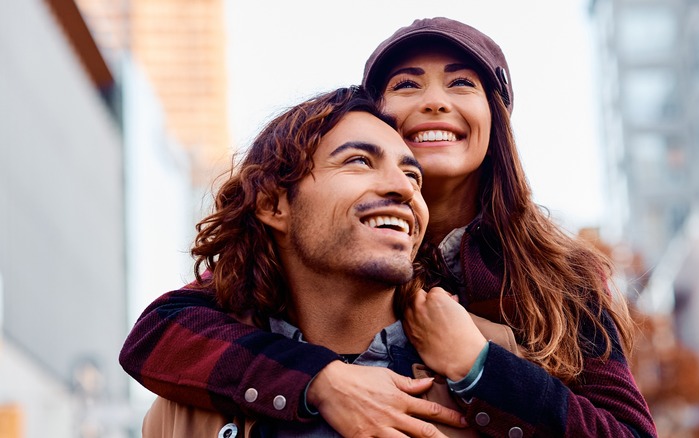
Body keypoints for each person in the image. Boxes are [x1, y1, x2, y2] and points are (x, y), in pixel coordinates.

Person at [121, 17, 657, 437]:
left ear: (495, 120)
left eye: (462, 83)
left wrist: (479, 367)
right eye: (406, 84)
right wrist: (320, 380)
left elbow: (626, 429)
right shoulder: (314, 256)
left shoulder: (559, 275)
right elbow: (160, 332)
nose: (434, 100)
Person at [139, 86, 471, 436]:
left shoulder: (490, 362)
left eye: (412, 175)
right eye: (358, 161)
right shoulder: (183, 409)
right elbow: (152, 328)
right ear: (272, 205)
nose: (404, 189)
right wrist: (319, 380)